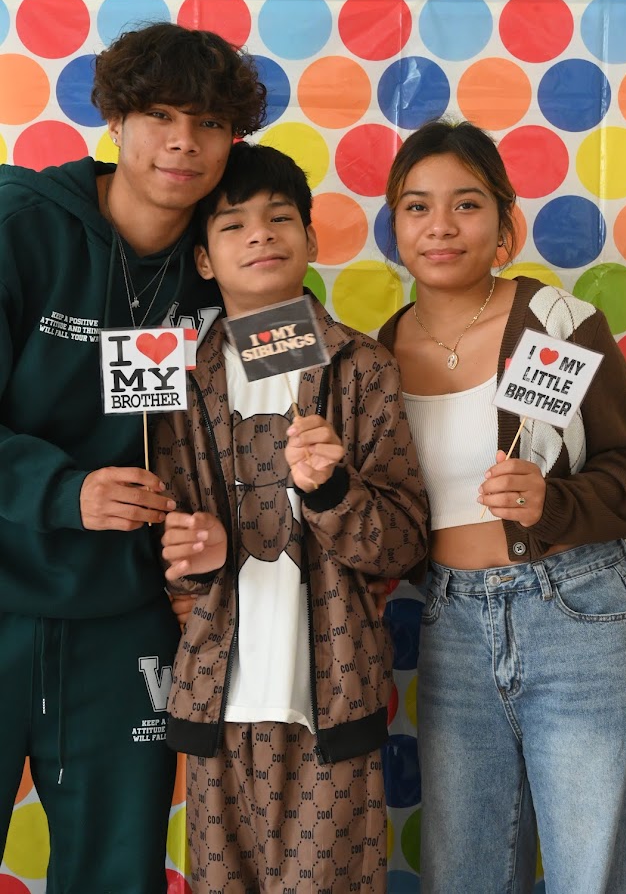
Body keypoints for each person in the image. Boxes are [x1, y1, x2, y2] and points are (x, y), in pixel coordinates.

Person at [0, 22, 266, 892]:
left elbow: (264, 438)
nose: (184, 142)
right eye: (160, 115)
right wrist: (61, 490)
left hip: (128, 618)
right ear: (115, 119)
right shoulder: (20, 224)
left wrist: (218, 530)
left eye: (210, 123)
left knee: (117, 874)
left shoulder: (233, 262)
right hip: (6, 585)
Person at [154, 141, 429, 893]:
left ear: (310, 238)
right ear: (204, 259)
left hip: (331, 695)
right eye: (232, 224)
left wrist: (334, 491)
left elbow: (405, 543)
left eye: (279, 218)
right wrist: (187, 554)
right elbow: (155, 533)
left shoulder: (362, 368)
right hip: (215, 697)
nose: (260, 235)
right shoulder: (176, 379)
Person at [378, 118, 626, 894]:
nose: (440, 226)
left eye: (466, 204)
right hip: (451, 624)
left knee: (591, 869)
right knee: (465, 871)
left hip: (578, 614)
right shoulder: (375, 355)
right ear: (396, 227)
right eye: (417, 207)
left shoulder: (557, 324)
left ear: (504, 226)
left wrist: (554, 502)